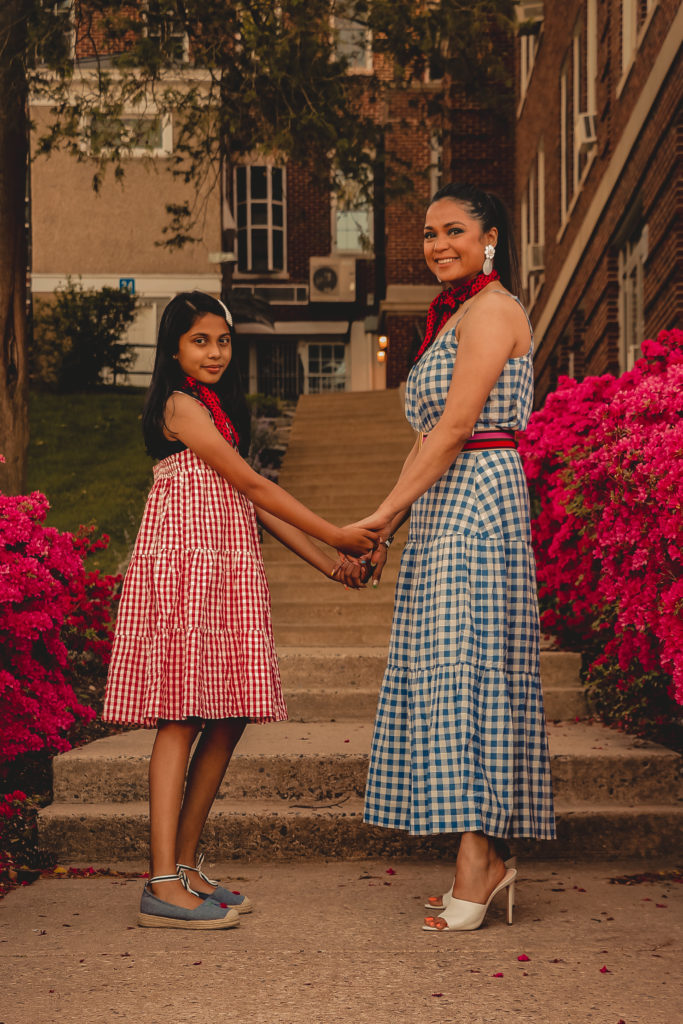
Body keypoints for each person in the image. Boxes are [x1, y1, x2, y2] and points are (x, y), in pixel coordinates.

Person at [103, 291, 377, 930]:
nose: (215, 352)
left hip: (225, 570)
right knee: (182, 715)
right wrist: (337, 532)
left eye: (223, 341)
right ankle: (161, 882)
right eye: (200, 341)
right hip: (184, 572)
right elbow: (257, 484)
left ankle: (188, 865)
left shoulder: (220, 413)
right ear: (173, 348)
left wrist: (331, 564)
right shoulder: (179, 407)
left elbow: (252, 504)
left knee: (229, 716)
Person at [352, 182, 556, 932]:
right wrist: (390, 525)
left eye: (454, 231)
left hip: (478, 498)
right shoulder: (454, 315)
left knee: (468, 673)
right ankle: (480, 856)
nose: (438, 243)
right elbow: (427, 437)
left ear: (490, 237)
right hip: (446, 501)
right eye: (429, 233)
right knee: (446, 675)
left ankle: (481, 861)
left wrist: (378, 517)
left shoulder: (495, 310)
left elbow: (459, 423)